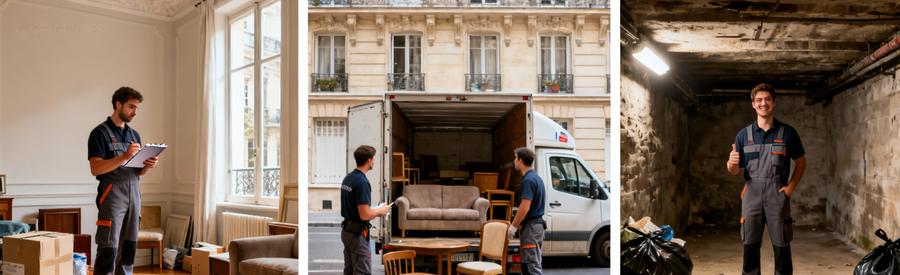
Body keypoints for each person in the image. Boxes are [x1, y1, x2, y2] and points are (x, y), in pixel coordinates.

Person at [726, 83, 806, 275]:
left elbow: (801, 163)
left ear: (774, 103)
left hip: (777, 195)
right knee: (750, 246)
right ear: (753, 104)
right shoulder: (743, 135)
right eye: (759, 100)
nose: (764, 103)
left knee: (782, 245)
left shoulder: (787, 133)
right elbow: (734, 171)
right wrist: (731, 163)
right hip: (751, 195)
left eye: (767, 99)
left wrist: (790, 188)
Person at [87, 87, 159, 275]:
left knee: (129, 247)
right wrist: (124, 156)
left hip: (134, 193)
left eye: (136, 108)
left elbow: (138, 172)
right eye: (131, 107)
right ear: (118, 104)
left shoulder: (134, 135)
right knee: (108, 247)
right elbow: (95, 168)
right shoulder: (99, 133)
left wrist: (148, 165)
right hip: (112, 194)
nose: (134, 112)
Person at [341, 145, 391, 275]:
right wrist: (381, 211)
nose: (374, 161)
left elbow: (356, 208)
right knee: (362, 272)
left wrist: (375, 209)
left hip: (347, 231)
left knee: (350, 271)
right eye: (373, 158)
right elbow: (364, 215)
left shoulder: (348, 178)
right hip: (357, 235)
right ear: (369, 160)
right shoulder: (362, 182)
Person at [509, 147, 546, 275]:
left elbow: (525, 206)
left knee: (532, 268)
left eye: (515, 158)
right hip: (535, 227)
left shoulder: (528, 180)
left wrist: (513, 226)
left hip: (531, 230)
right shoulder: (536, 178)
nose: (514, 161)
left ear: (520, 160)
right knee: (528, 266)